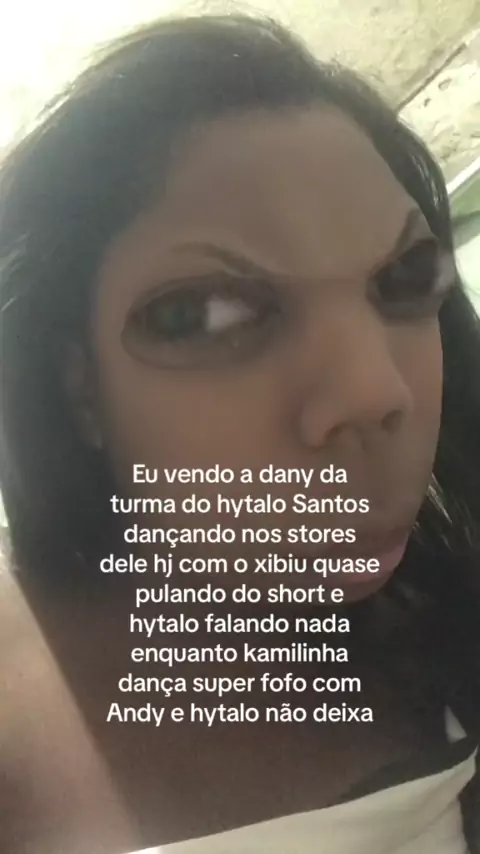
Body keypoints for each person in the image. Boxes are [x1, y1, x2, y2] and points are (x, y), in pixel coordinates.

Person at [0, 13, 479, 854]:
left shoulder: (444, 605)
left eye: (406, 278)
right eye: (204, 313)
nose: (374, 391)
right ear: (79, 387)